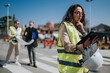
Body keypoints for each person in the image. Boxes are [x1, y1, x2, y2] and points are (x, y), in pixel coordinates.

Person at [57, 4, 96, 73]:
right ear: (71, 13)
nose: (80, 15)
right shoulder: (65, 26)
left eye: (81, 13)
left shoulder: (79, 28)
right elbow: (67, 46)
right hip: (68, 69)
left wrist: (83, 30)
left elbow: (87, 43)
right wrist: (83, 45)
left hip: (81, 68)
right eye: (77, 12)